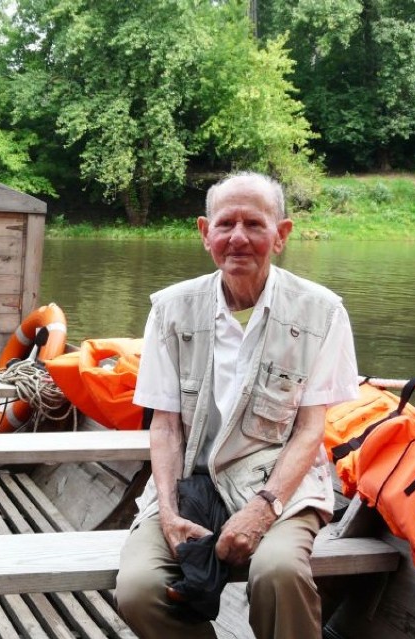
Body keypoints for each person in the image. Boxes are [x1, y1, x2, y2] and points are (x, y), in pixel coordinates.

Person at [115, 172, 359, 639]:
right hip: (191, 483)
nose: (239, 238)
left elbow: (311, 430)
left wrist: (264, 509)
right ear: (205, 232)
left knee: (278, 573)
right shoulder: (170, 310)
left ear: (281, 235)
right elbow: (165, 428)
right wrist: (167, 513)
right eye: (226, 224)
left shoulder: (322, 312)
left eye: (255, 224)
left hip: (279, 486)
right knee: (139, 590)